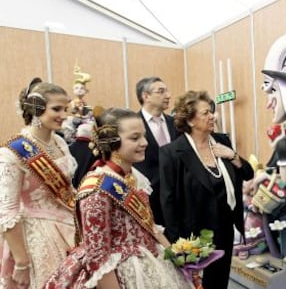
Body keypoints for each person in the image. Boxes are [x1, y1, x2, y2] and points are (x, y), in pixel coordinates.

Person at [44, 108, 192, 289]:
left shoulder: (135, 176)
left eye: (144, 136)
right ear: (111, 141)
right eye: (135, 138)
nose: (145, 143)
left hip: (152, 260)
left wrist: (177, 257)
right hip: (120, 272)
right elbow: (97, 256)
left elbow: (150, 226)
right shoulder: (97, 188)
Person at [159, 90, 254, 289]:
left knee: (220, 280)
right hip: (194, 233)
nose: (213, 116)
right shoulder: (172, 153)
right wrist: (176, 243)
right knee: (198, 283)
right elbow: (168, 201)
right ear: (191, 121)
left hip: (225, 226)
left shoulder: (222, 141)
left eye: (212, 111)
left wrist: (233, 156)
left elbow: (248, 173)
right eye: (206, 113)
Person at [0, 78, 77, 288]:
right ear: (36, 109)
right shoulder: (12, 153)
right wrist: (22, 262)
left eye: (65, 108)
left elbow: (68, 189)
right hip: (37, 238)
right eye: (57, 109)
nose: (63, 115)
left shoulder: (59, 142)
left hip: (70, 229)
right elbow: (6, 212)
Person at [134, 76, 179, 225]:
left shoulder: (176, 124)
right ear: (145, 96)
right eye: (161, 91)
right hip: (149, 200)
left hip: (178, 199)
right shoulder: (132, 125)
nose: (168, 95)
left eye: (167, 90)